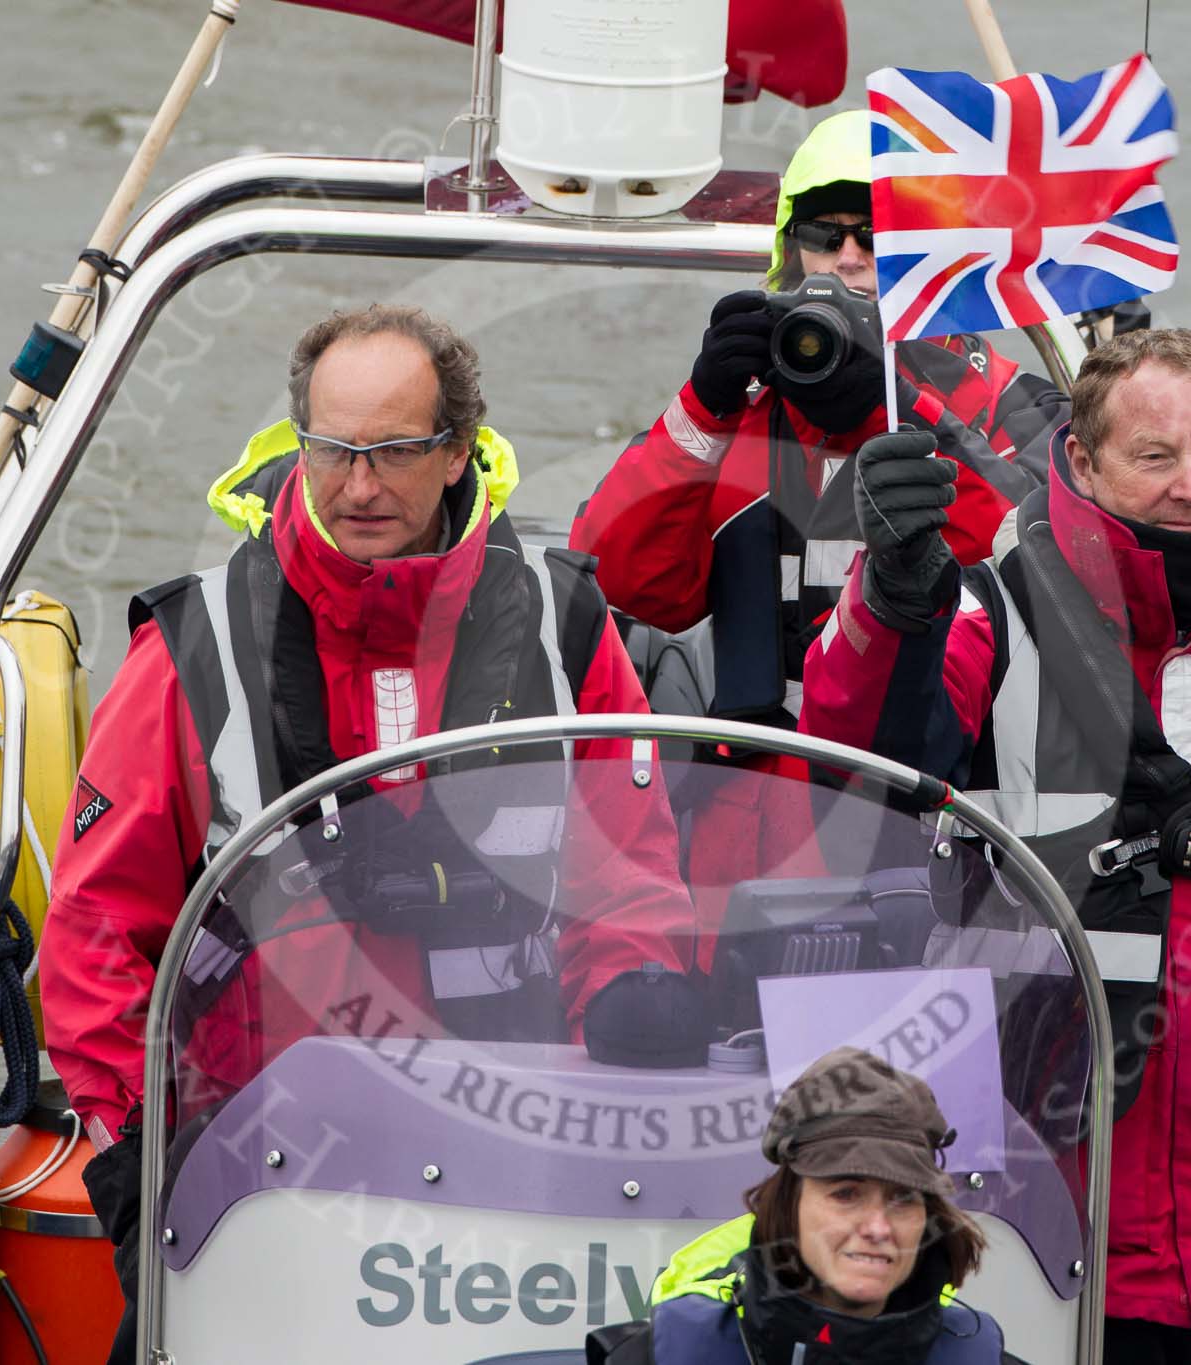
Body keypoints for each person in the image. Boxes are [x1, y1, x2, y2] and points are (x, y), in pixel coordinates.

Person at [39, 304, 698, 1364]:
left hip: (520, 1152)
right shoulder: (197, 647)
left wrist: (632, 996)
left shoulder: (565, 632)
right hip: (259, 1159)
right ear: (301, 446)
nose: (358, 486)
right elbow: (95, 927)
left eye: (393, 452)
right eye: (336, 450)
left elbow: (626, 881)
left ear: (455, 453)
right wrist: (136, 1155)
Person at [801, 330, 1191, 1360]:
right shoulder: (972, 619)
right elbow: (851, 775)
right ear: (1082, 462)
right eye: (1153, 457)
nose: (1190, 487)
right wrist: (890, 601)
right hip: (1032, 1209)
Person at [570, 108, 1067, 728]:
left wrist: (892, 415)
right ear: (792, 249)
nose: (849, 257)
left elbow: (1053, 581)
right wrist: (702, 404)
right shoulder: (738, 408)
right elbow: (621, 582)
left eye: (875, 236)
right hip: (752, 778)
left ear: (934, 255)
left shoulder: (1009, 405)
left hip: (937, 780)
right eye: (823, 236)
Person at [588, 1047, 1004, 1364]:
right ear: (789, 1203)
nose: (878, 1227)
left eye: (903, 1198)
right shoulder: (674, 1354)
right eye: (846, 1194)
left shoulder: (975, 1355)